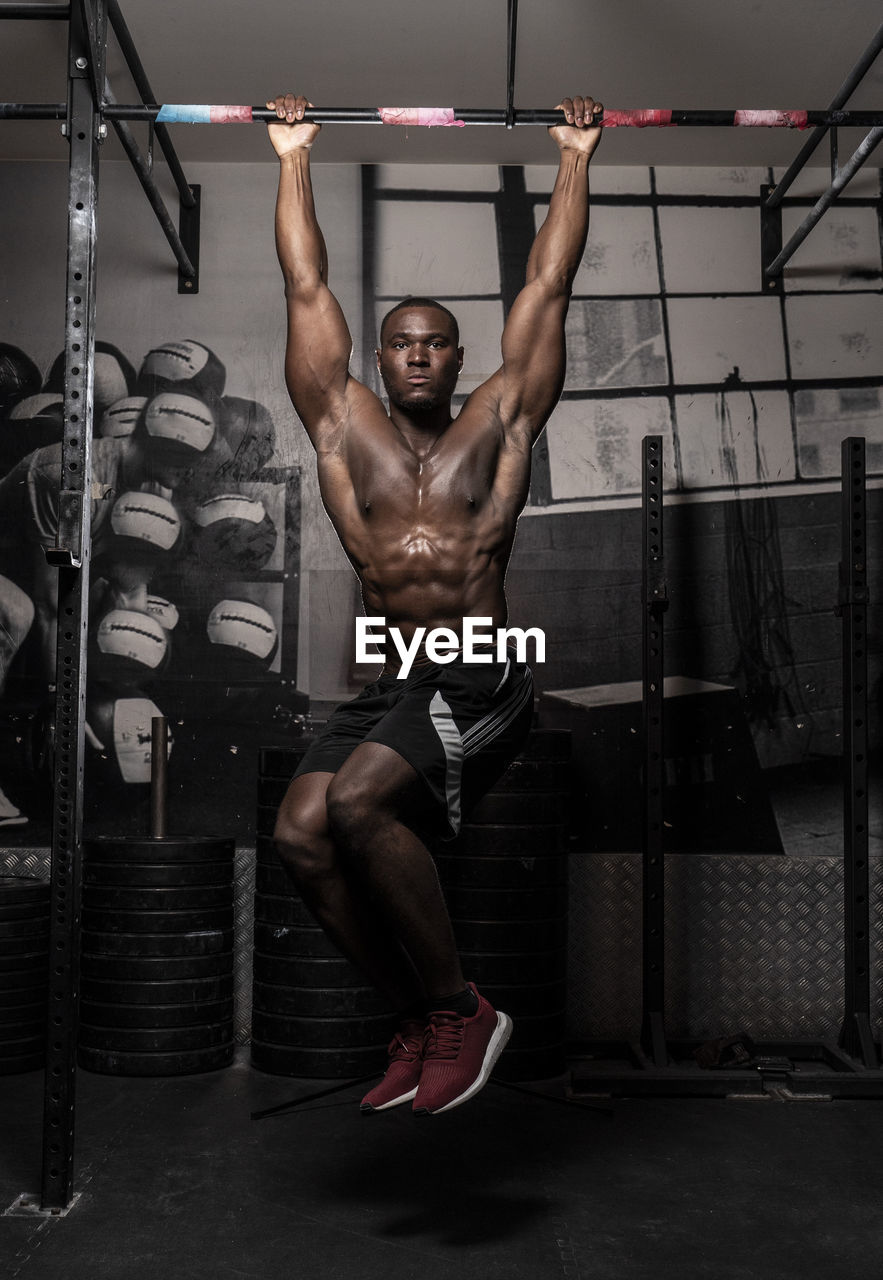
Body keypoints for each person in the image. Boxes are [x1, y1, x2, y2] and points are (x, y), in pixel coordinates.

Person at [267, 90, 603, 1115]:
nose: (418, 352)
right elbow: (305, 282)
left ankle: (463, 1008)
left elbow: (547, 284)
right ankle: (415, 1014)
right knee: (302, 827)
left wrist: (573, 156)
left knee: (361, 802)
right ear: (377, 357)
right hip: (397, 678)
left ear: (460, 358)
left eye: (437, 342)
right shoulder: (341, 425)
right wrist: (293, 154)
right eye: (401, 342)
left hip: (481, 670)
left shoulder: (499, 425)